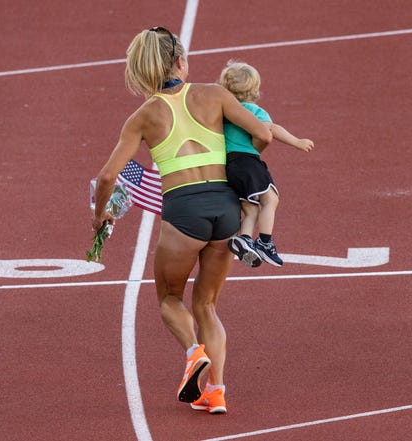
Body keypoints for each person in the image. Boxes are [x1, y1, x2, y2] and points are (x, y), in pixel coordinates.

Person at [91, 27, 272, 414]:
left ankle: (193, 353)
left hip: (183, 212)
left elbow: (108, 177)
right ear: (180, 62)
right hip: (226, 209)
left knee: (170, 298)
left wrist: (99, 216)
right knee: (206, 305)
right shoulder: (215, 94)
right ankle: (216, 391)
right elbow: (262, 134)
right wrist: (242, 167)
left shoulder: (142, 116)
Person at [218, 60, 314, 268]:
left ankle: (244, 238)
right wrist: (298, 142)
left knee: (250, 208)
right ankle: (265, 241)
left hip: (228, 167)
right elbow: (272, 129)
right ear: (254, 89)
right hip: (248, 161)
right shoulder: (253, 110)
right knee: (270, 199)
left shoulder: (223, 112)